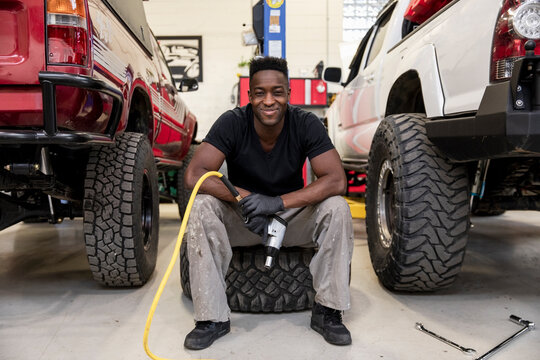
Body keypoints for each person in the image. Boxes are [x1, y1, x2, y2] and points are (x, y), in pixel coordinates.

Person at [183, 56, 354, 350]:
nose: (269, 100)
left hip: (289, 220)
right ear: (249, 96)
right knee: (201, 205)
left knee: (337, 207)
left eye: (277, 91)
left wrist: (276, 202)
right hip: (245, 219)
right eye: (260, 92)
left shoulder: (306, 124)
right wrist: (247, 200)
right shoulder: (232, 122)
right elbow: (194, 174)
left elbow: (336, 180)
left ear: (289, 93)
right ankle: (212, 318)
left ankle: (328, 311)